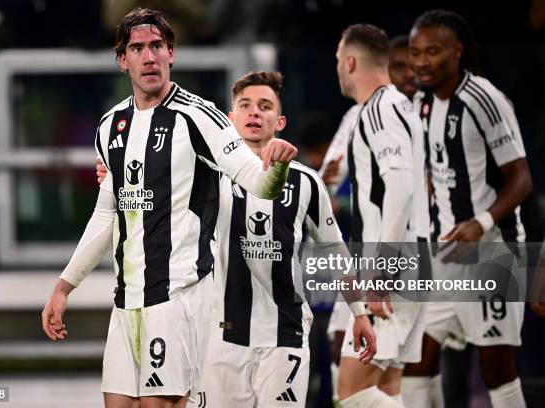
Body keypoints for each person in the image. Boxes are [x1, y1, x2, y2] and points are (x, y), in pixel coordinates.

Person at [41, 8, 299, 408]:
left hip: (179, 295)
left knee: (158, 404)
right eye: (137, 48)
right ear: (122, 59)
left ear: (171, 54)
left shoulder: (199, 117)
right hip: (126, 300)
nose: (149, 57)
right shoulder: (110, 126)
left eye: (157, 46)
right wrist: (64, 286)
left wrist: (277, 165)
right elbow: (106, 213)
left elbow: (259, 183)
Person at [97, 71, 377, 407]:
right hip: (220, 337)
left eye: (265, 106)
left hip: (285, 333)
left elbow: (335, 250)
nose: (254, 112)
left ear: (280, 121)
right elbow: (151, 186)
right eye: (245, 105)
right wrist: (112, 174)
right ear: (230, 119)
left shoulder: (306, 182)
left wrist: (359, 312)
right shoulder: (205, 175)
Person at [403, 9, 533, 408]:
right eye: (415, 52)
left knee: (497, 371)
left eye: (433, 51)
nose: (422, 62)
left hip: (493, 252)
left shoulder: (484, 99)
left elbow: (521, 178)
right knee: (414, 363)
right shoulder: (421, 103)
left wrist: (480, 222)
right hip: (443, 255)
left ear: (457, 51)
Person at [333, 24, 428, 407]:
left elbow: (401, 187)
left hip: (393, 268)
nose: (337, 68)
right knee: (387, 388)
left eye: (338, 60)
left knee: (351, 393)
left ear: (351, 62)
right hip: (413, 262)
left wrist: (380, 272)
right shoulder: (401, 106)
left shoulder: (377, 109)